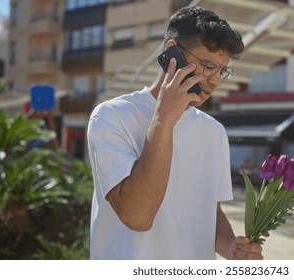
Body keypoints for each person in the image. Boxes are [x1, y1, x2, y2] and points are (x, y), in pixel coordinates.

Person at [87, 6, 263, 260]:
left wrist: (231, 249)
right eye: (209, 65)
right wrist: (164, 118)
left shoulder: (213, 132)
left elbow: (209, 212)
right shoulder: (111, 116)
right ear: (172, 52)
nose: (216, 81)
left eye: (222, 71)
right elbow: (137, 216)